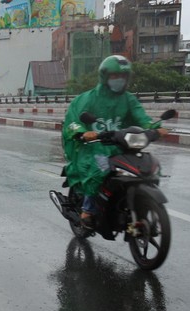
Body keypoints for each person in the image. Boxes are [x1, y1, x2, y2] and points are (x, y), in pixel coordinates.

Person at [62, 55, 167, 229]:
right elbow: (73, 121)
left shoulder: (128, 99)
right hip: (94, 147)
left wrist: (154, 128)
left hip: (120, 146)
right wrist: (83, 132)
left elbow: (142, 117)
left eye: (123, 77)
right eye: (114, 76)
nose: (119, 80)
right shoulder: (88, 99)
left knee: (148, 168)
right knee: (98, 170)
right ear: (105, 77)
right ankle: (88, 210)